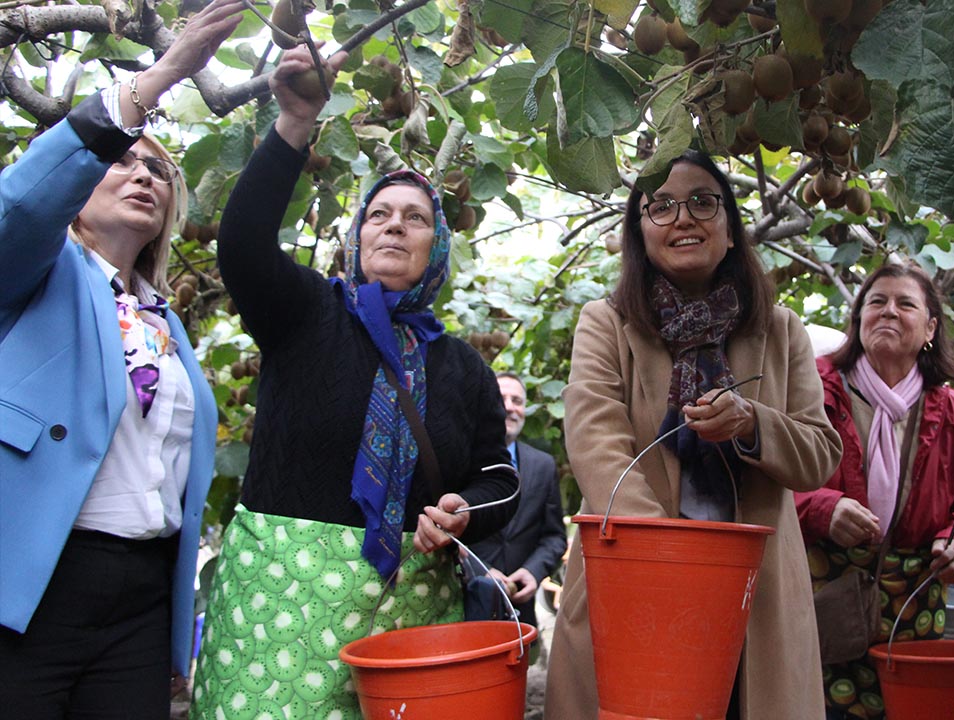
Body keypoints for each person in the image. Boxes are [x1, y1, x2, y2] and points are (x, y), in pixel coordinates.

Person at [190, 47, 517, 719]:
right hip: (276, 612)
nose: (395, 223)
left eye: (416, 217)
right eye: (379, 214)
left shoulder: (463, 367)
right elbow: (244, 244)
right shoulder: (304, 313)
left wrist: (463, 510)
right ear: (357, 238)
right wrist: (295, 122)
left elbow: (499, 481)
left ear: (439, 249)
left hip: (413, 616)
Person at [0, 1, 243, 715]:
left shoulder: (164, 323)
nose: (141, 176)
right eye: (121, 162)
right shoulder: (34, 274)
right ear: (77, 194)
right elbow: (20, 206)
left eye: (159, 173)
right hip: (34, 582)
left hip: (139, 598)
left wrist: (172, 631)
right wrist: (165, 74)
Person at [544, 149, 844, 719]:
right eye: (660, 206)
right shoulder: (605, 323)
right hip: (639, 582)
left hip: (756, 598)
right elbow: (596, 444)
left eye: (703, 202)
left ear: (730, 229)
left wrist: (754, 422)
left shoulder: (781, 329)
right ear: (640, 232)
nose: (683, 218)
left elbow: (820, 454)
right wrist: (674, 564)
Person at [795, 263, 954, 719]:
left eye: (905, 304)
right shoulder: (812, 392)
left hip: (913, 606)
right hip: (826, 598)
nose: (888, 312)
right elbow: (770, 483)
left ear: (930, 328)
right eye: (876, 302)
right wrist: (824, 509)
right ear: (858, 320)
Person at [472, 372, 567, 631]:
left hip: (520, 613)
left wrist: (533, 571)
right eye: (501, 398)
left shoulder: (543, 465)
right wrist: (480, 570)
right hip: (467, 605)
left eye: (518, 400)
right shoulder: (462, 460)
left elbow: (554, 536)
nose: (510, 407)